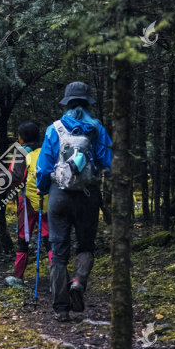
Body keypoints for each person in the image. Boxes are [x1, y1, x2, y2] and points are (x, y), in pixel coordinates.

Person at [36, 82, 112, 323]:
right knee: (86, 246)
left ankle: (61, 308)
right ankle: (78, 282)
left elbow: (44, 166)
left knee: (58, 253)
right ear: (88, 103)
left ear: (67, 103)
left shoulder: (53, 129)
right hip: (87, 196)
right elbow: (107, 163)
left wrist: (42, 187)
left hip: (59, 195)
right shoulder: (97, 129)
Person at [5, 122, 52, 286]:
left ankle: (18, 277)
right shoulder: (46, 149)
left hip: (27, 202)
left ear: (22, 137)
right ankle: (57, 279)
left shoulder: (21, 152)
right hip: (47, 199)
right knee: (49, 237)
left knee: (23, 238)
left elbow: (16, 177)